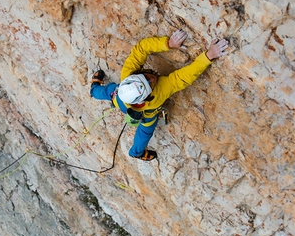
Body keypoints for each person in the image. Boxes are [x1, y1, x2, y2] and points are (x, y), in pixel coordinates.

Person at [90, 29, 229, 161]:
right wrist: (208, 56)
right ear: (147, 96)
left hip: (119, 99)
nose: (152, 79)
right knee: (145, 133)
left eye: (145, 77)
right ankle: (136, 152)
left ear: (133, 77)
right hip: (147, 114)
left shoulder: (128, 74)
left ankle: (93, 89)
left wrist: (168, 43)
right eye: (149, 85)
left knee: (107, 92)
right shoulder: (159, 92)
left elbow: (141, 48)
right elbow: (184, 77)